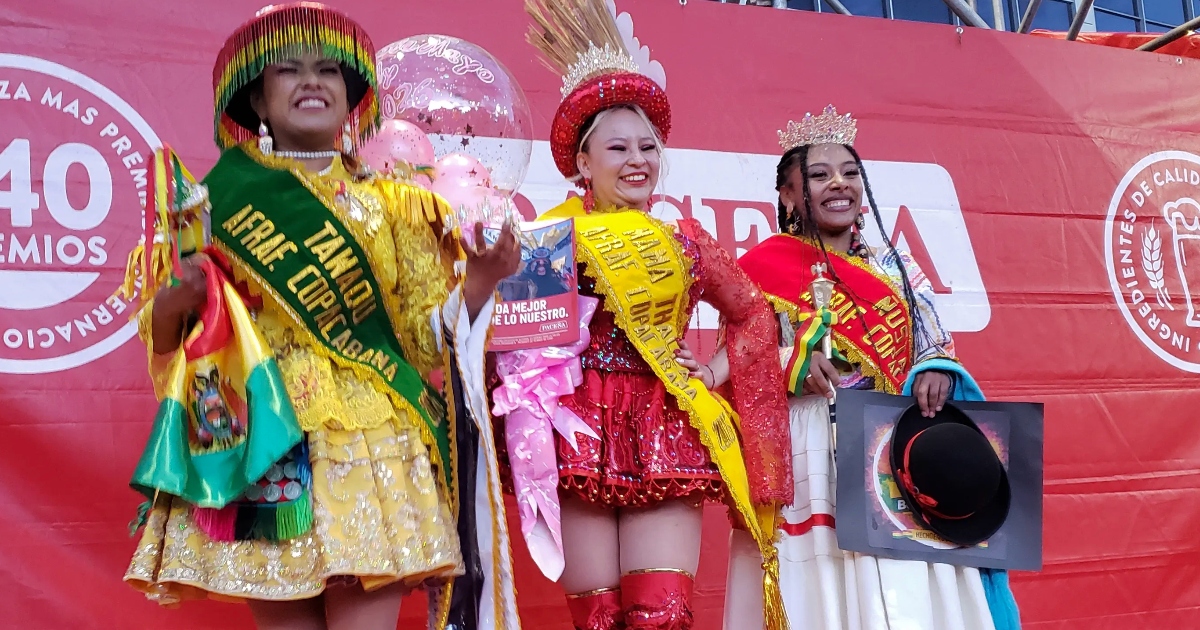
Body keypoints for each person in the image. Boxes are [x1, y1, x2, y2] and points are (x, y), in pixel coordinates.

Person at [122, 4, 522, 629]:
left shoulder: (396, 206)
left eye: (329, 70)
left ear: (351, 94)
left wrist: (480, 280)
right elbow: (171, 338)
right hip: (267, 434)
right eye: (289, 68)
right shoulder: (213, 204)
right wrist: (177, 296)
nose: (312, 81)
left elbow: (424, 341)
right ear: (257, 97)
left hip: (373, 439)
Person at [504, 2, 793, 629]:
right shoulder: (549, 239)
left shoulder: (685, 240)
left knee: (658, 616)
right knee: (599, 620)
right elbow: (514, 351)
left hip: (664, 424)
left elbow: (756, 315)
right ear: (583, 162)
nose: (638, 160)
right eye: (618, 148)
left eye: (648, 147)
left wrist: (712, 374)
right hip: (577, 431)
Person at [679, 105, 1020, 630]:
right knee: (823, 583)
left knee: (907, 586)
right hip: (809, 445)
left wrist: (935, 368)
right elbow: (742, 358)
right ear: (790, 195)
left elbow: (932, 337)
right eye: (819, 175)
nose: (839, 183)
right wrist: (794, 361)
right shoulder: (763, 266)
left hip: (890, 439)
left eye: (850, 173)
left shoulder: (894, 265)